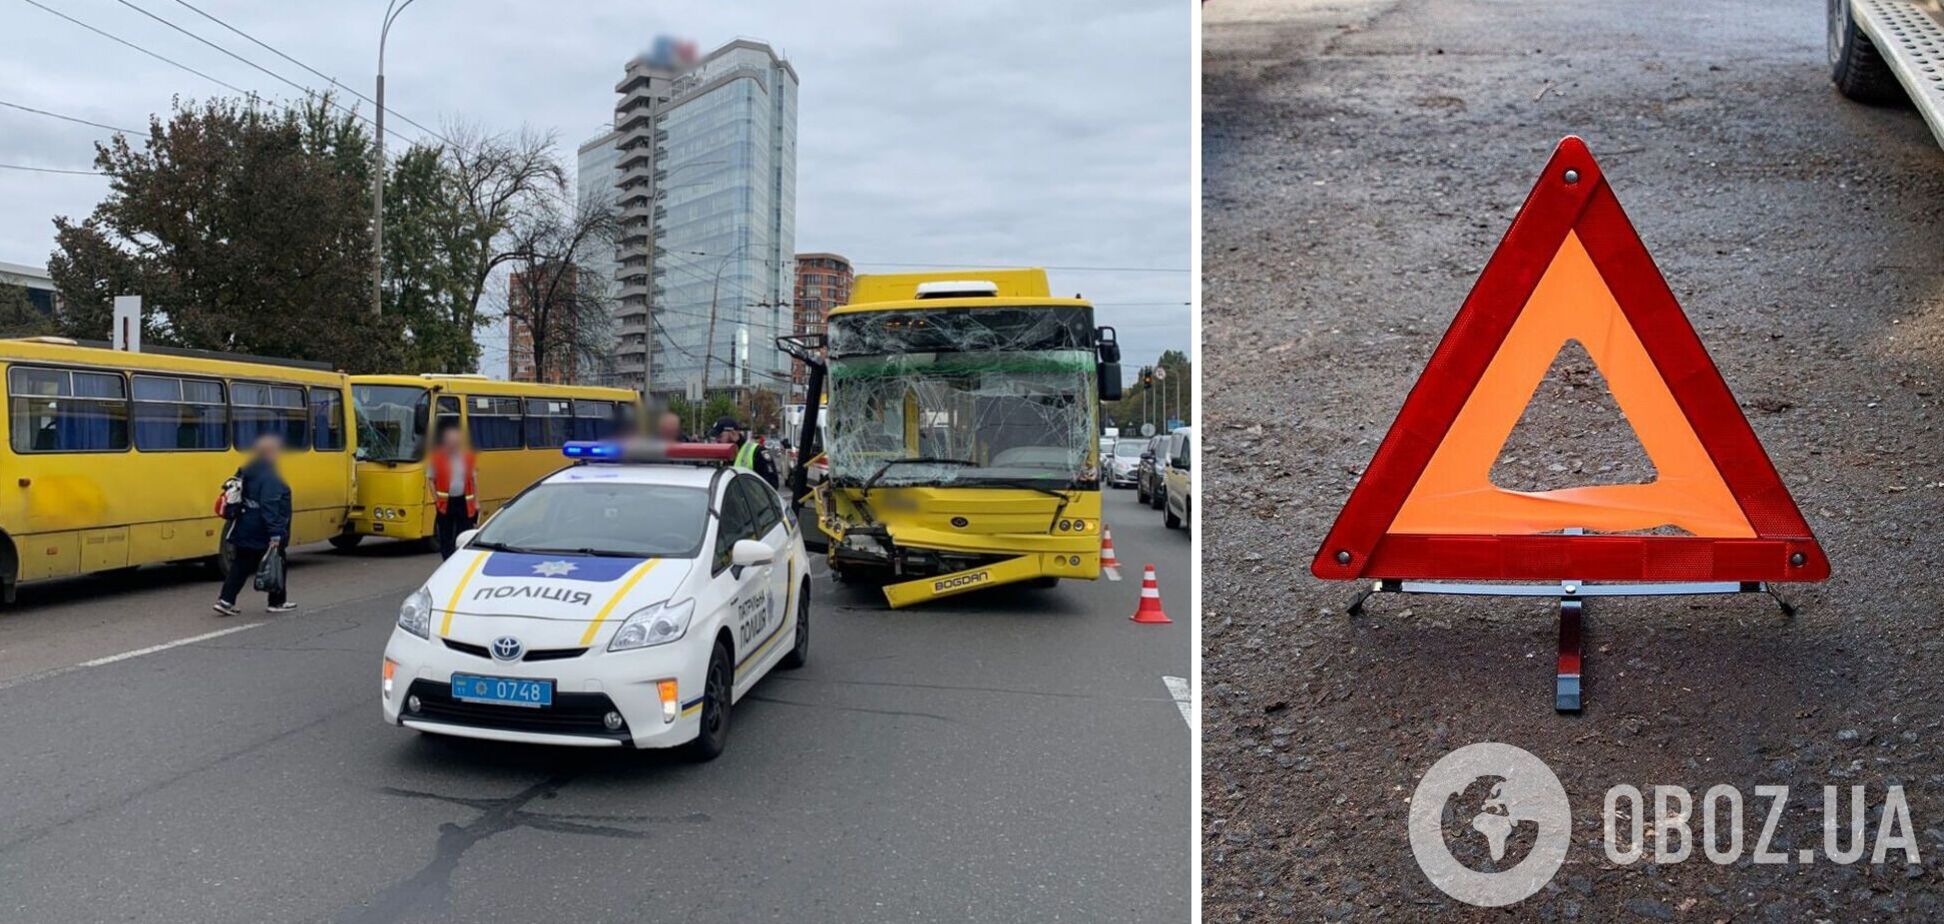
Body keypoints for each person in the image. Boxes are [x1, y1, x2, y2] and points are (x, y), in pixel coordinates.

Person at [215, 433, 294, 615]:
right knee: (277, 561)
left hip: (244, 525)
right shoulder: (270, 476)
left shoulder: (247, 471)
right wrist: (276, 534)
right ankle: (276, 602)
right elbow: (270, 505)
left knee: (240, 565)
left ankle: (225, 600)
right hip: (263, 529)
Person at [427, 425, 479, 560]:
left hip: (464, 502)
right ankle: (447, 560)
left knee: (464, 534)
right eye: (451, 441)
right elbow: (431, 480)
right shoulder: (437, 459)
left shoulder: (466, 458)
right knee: (446, 535)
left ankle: (461, 559)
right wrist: (436, 499)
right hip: (445, 504)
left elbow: (473, 481)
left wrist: (477, 502)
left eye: (456, 441)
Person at [712, 416, 778, 488]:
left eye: (720, 436)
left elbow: (772, 484)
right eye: (715, 437)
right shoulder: (720, 455)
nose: (717, 440)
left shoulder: (757, 452)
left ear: (733, 433)